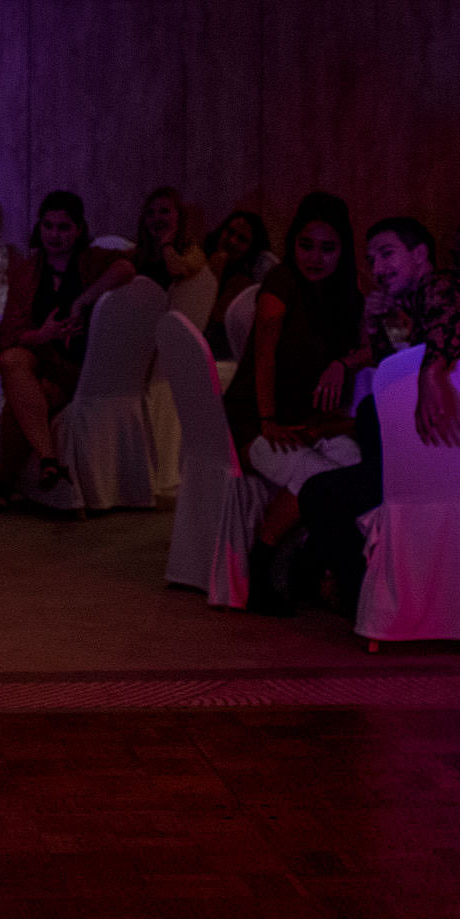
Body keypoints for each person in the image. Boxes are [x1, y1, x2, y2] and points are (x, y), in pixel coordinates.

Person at [301, 216, 460, 610]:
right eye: (371, 259)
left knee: (318, 494)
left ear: (420, 254)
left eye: (387, 254)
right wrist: (375, 325)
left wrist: (434, 371)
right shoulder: (423, 301)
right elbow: (395, 380)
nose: (377, 268)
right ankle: (361, 582)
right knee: (371, 417)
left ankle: (367, 598)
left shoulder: (439, 288)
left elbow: (448, 324)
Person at [225, 192, 365, 614]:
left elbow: (372, 347)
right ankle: (264, 561)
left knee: (356, 466)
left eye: (328, 248)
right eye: (306, 245)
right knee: (318, 478)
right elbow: (263, 353)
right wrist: (267, 420)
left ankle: (311, 561)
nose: (315, 258)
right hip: (256, 417)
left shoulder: (347, 291)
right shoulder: (281, 282)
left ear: (343, 249)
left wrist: (343, 361)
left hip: (312, 421)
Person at [0, 189, 136, 500]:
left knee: (23, 401)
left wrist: (84, 298)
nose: (54, 235)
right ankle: (49, 459)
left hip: (79, 367)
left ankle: (3, 482)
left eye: (63, 227)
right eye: (48, 225)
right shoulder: (28, 271)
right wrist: (43, 335)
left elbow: (126, 268)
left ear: (79, 230)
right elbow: (9, 335)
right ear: (39, 227)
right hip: (39, 357)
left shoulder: (92, 261)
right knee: (12, 360)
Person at [204, 209, 277, 357]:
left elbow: (217, 317)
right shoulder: (200, 260)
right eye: (229, 232)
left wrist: (217, 271)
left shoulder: (244, 282)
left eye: (242, 239)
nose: (232, 241)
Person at [132, 185, 206, 290]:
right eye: (150, 213)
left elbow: (178, 272)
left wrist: (166, 244)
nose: (156, 218)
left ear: (179, 217)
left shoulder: (192, 252)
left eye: (164, 211)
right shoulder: (139, 252)